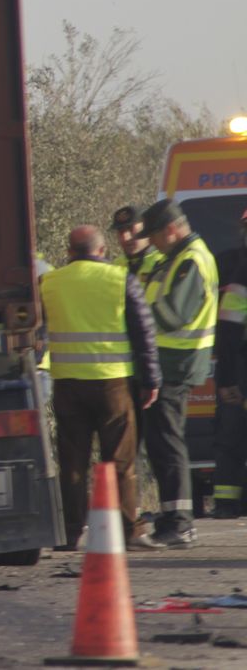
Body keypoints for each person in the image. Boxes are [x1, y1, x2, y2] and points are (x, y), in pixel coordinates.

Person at [39, 226, 160, 551]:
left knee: (73, 461)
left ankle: (70, 531)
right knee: (120, 459)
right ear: (102, 250)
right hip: (113, 384)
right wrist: (151, 381)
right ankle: (128, 531)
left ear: (69, 251)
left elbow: (36, 329)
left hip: (67, 384)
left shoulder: (50, 283)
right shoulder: (120, 279)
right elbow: (144, 333)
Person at [131, 199, 218, 549]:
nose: (150, 243)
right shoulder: (176, 258)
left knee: (168, 443)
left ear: (170, 229)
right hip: (165, 362)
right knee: (160, 442)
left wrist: (133, 317)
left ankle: (181, 523)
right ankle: (172, 518)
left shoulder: (191, 260)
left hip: (175, 363)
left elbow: (172, 313)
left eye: (153, 236)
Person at [211, 210, 247, 519]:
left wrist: (225, 378)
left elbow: (230, 327)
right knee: (231, 436)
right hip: (240, 367)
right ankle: (227, 501)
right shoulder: (232, 268)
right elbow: (229, 328)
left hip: (239, 368)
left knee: (232, 436)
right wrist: (226, 378)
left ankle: (228, 502)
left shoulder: (238, 271)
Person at [111, 204, 161, 280]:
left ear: (146, 227)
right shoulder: (116, 265)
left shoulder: (161, 262)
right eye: (120, 231)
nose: (126, 238)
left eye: (131, 229)